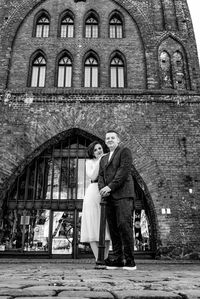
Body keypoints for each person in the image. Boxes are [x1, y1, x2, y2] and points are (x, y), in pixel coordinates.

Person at [98, 130, 137, 270]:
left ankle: (130, 260)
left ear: (118, 140)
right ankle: (117, 259)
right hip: (108, 198)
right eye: (107, 138)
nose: (109, 140)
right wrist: (102, 189)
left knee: (124, 226)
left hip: (123, 195)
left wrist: (110, 187)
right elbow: (101, 176)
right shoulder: (103, 158)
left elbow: (123, 171)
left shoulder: (124, 151)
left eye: (112, 138)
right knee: (113, 229)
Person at [80, 141, 111, 262]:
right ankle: (99, 258)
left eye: (100, 148)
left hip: (106, 191)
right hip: (93, 192)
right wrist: (99, 160)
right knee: (93, 225)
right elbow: (92, 176)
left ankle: (106, 258)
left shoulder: (107, 160)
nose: (99, 151)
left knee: (106, 226)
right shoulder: (89, 162)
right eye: (95, 150)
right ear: (92, 153)